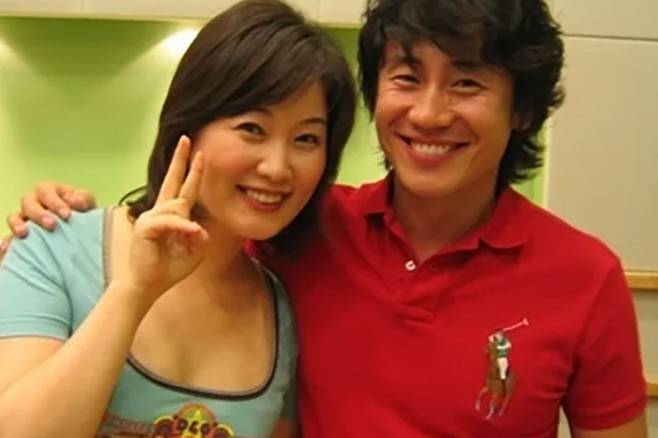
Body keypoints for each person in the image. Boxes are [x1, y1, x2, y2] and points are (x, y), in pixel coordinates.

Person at [2, 0, 649, 436]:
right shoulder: (305, 230)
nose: (428, 114)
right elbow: (185, 230)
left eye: (466, 83)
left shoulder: (585, 277)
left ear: (524, 109)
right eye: (406, 78)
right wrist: (59, 221)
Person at [0, 0, 355, 436]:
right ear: (189, 124)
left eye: (306, 139)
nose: (277, 167)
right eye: (252, 129)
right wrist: (134, 290)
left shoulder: (280, 309)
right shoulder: (54, 245)